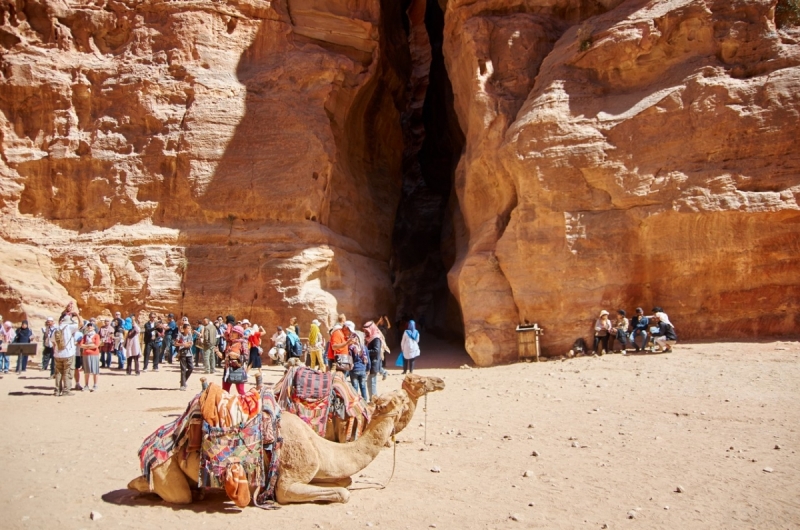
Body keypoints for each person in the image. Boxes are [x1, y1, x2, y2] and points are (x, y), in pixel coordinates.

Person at [54, 310, 82, 396]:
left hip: (57, 354)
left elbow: (52, 341)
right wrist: (77, 314)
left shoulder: (56, 328)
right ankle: (66, 390)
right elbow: (81, 324)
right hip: (68, 353)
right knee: (68, 372)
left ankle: (57, 390)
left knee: (58, 373)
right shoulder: (69, 327)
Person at [219, 325, 248, 394]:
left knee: (241, 391)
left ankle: (244, 404)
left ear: (239, 334)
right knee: (225, 391)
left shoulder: (243, 343)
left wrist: (237, 356)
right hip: (227, 369)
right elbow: (224, 356)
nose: (231, 334)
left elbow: (246, 357)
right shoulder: (229, 343)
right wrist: (217, 352)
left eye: (234, 332)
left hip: (238, 369)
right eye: (232, 332)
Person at [346, 321, 369, 399]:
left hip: (354, 370)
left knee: (355, 388)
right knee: (363, 387)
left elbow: (349, 359)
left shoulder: (350, 348)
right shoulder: (363, 347)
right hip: (362, 369)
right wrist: (368, 368)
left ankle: (356, 405)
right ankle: (365, 402)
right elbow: (367, 359)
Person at [78, 322, 101, 391]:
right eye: (88, 326)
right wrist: (90, 346)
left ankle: (95, 385)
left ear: (94, 327)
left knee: (95, 370)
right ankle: (86, 385)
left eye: (91, 326)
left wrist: (86, 346)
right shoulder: (85, 336)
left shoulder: (96, 335)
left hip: (94, 354)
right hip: (86, 354)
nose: (89, 327)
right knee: (87, 371)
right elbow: (81, 345)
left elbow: (96, 345)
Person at [363, 321, 382, 399]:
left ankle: (374, 400)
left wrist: (365, 351)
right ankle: (372, 399)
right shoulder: (370, 338)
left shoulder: (376, 338)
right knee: (369, 382)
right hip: (370, 363)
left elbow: (376, 351)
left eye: (366, 331)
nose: (365, 332)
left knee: (372, 382)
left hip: (374, 363)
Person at [175, 323, 194, 390]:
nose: (189, 330)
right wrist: (183, 344)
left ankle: (183, 380)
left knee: (191, 368)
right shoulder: (180, 335)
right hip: (182, 353)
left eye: (190, 328)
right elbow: (176, 343)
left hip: (189, 353)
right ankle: (182, 385)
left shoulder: (190, 335)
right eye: (188, 328)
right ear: (184, 329)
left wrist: (188, 344)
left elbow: (191, 343)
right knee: (183, 369)